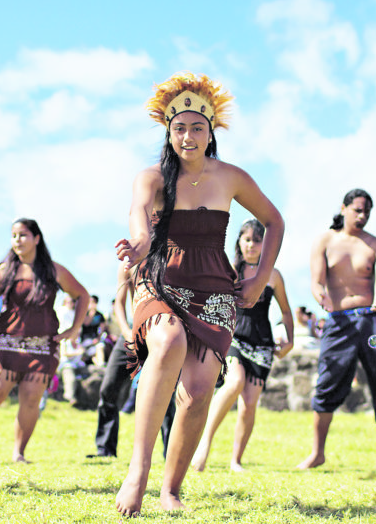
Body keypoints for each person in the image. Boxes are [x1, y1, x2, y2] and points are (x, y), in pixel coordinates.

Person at [113, 72, 284, 516]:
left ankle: (172, 489)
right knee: (166, 341)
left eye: (197, 128)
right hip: (161, 276)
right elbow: (138, 213)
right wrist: (139, 242)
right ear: (168, 132)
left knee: (200, 389)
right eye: (179, 128)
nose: (188, 137)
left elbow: (274, 220)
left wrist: (262, 274)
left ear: (210, 133)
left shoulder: (231, 177)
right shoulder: (151, 177)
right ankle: (138, 472)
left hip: (213, 287)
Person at [0, 219, 88, 463]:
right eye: (13, 236)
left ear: (36, 239)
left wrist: (74, 329)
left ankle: (19, 453)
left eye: (23, 235)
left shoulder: (54, 271)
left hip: (42, 345)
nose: (17, 240)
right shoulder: (4, 271)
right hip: (7, 342)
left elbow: (81, 294)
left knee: (32, 399)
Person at [297, 188, 376, 470]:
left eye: (367, 211)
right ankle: (317, 453)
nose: (362, 215)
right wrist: (321, 295)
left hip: (372, 321)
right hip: (339, 321)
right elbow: (317, 281)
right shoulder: (325, 241)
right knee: (328, 380)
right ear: (343, 208)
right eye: (357, 209)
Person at [192, 218, 294, 472]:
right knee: (234, 382)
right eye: (247, 239)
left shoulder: (273, 275)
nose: (251, 245)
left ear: (265, 244)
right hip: (234, 336)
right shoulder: (229, 269)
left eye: (257, 240)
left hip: (262, 342)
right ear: (239, 240)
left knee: (250, 404)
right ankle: (203, 444)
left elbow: (286, 311)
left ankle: (236, 460)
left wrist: (290, 340)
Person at [89, 262, 175, 459]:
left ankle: (170, 453)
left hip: (162, 331)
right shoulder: (129, 264)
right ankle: (105, 450)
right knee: (108, 388)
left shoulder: (170, 257)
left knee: (165, 394)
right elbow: (119, 303)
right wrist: (127, 333)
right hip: (131, 332)